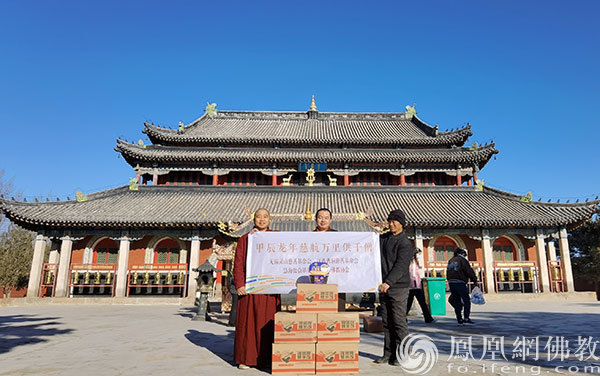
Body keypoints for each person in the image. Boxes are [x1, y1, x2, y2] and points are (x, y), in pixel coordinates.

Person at [233, 208, 281, 370]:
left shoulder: (276, 238)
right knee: (247, 324)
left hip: (269, 288)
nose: (262, 220)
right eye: (258, 217)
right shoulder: (246, 239)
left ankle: (268, 359)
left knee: (268, 323)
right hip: (249, 287)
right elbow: (238, 263)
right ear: (254, 219)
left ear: (270, 219)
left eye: (265, 217)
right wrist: (239, 284)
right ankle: (246, 359)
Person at [376, 209, 413, 366]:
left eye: (394, 221)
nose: (391, 224)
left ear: (402, 224)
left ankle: (403, 353)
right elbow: (370, 244)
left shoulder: (405, 243)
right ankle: (388, 353)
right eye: (389, 221)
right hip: (383, 286)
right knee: (386, 321)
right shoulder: (384, 239)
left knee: (398, 321)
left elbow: (401, 266)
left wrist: (388, 282)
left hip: (398, 287)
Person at [446, 248, 478, 325]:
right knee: (466, 300)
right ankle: (466, 317)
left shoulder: (451, 260)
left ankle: (459, 319)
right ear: (462, 254)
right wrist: (474, 280)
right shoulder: (462, 260)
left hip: (451, 282)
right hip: (460, 282)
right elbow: (468, 270)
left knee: (456, 300)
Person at [406, 248, 435, 323]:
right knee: (421, 303)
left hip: (413, 285)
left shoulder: (412, 262)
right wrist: (416, 284)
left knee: (410, 303)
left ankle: (428, 318)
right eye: (419, 254)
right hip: (415, 285)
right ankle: (428, 318)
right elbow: (413, 274)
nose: (419, 256)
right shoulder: (413, 262)